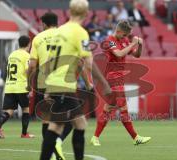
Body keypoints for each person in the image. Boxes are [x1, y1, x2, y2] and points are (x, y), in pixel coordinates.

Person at [39, 0, 108, 159]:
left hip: (55, 83)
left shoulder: (59, 31)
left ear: (69, 11)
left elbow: (49, 61)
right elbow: (88, 64)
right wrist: (102, 83)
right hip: (64, 85)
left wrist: (48, 87)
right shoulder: (80, 32)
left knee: (57, 126)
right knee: (79, 124)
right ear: (86, 13)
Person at [90, 20, 151, 146]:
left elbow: (137, 55)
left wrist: (139, 45)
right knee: (123, 108)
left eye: (126, 36)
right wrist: (132, 43)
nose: (125, 38)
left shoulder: (124, 41)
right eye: (124, 35)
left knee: (109, 108)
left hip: (119, 78)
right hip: (112, 77)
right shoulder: (109, 40)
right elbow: (118, 54)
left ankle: (95, 137)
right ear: (118, 31)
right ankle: (135, 137)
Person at [28, 12, 67, 160]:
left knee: (46, 118)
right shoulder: (65, 35)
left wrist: (28, 83)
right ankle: (57, 144)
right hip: (62, 81)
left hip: (44, 82)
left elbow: (32, 65)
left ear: (44, 24)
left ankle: (49, 152)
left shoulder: (38, 38)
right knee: (63, 118)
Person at [0, 36, 34, 138]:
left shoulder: (12, 55)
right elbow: (27, 71)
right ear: (29, 44)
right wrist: (30, 86)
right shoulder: (26, 56)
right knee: (25, 109)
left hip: (10, 86)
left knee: (9, 111)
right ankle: (24, 134)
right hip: (21, 86)